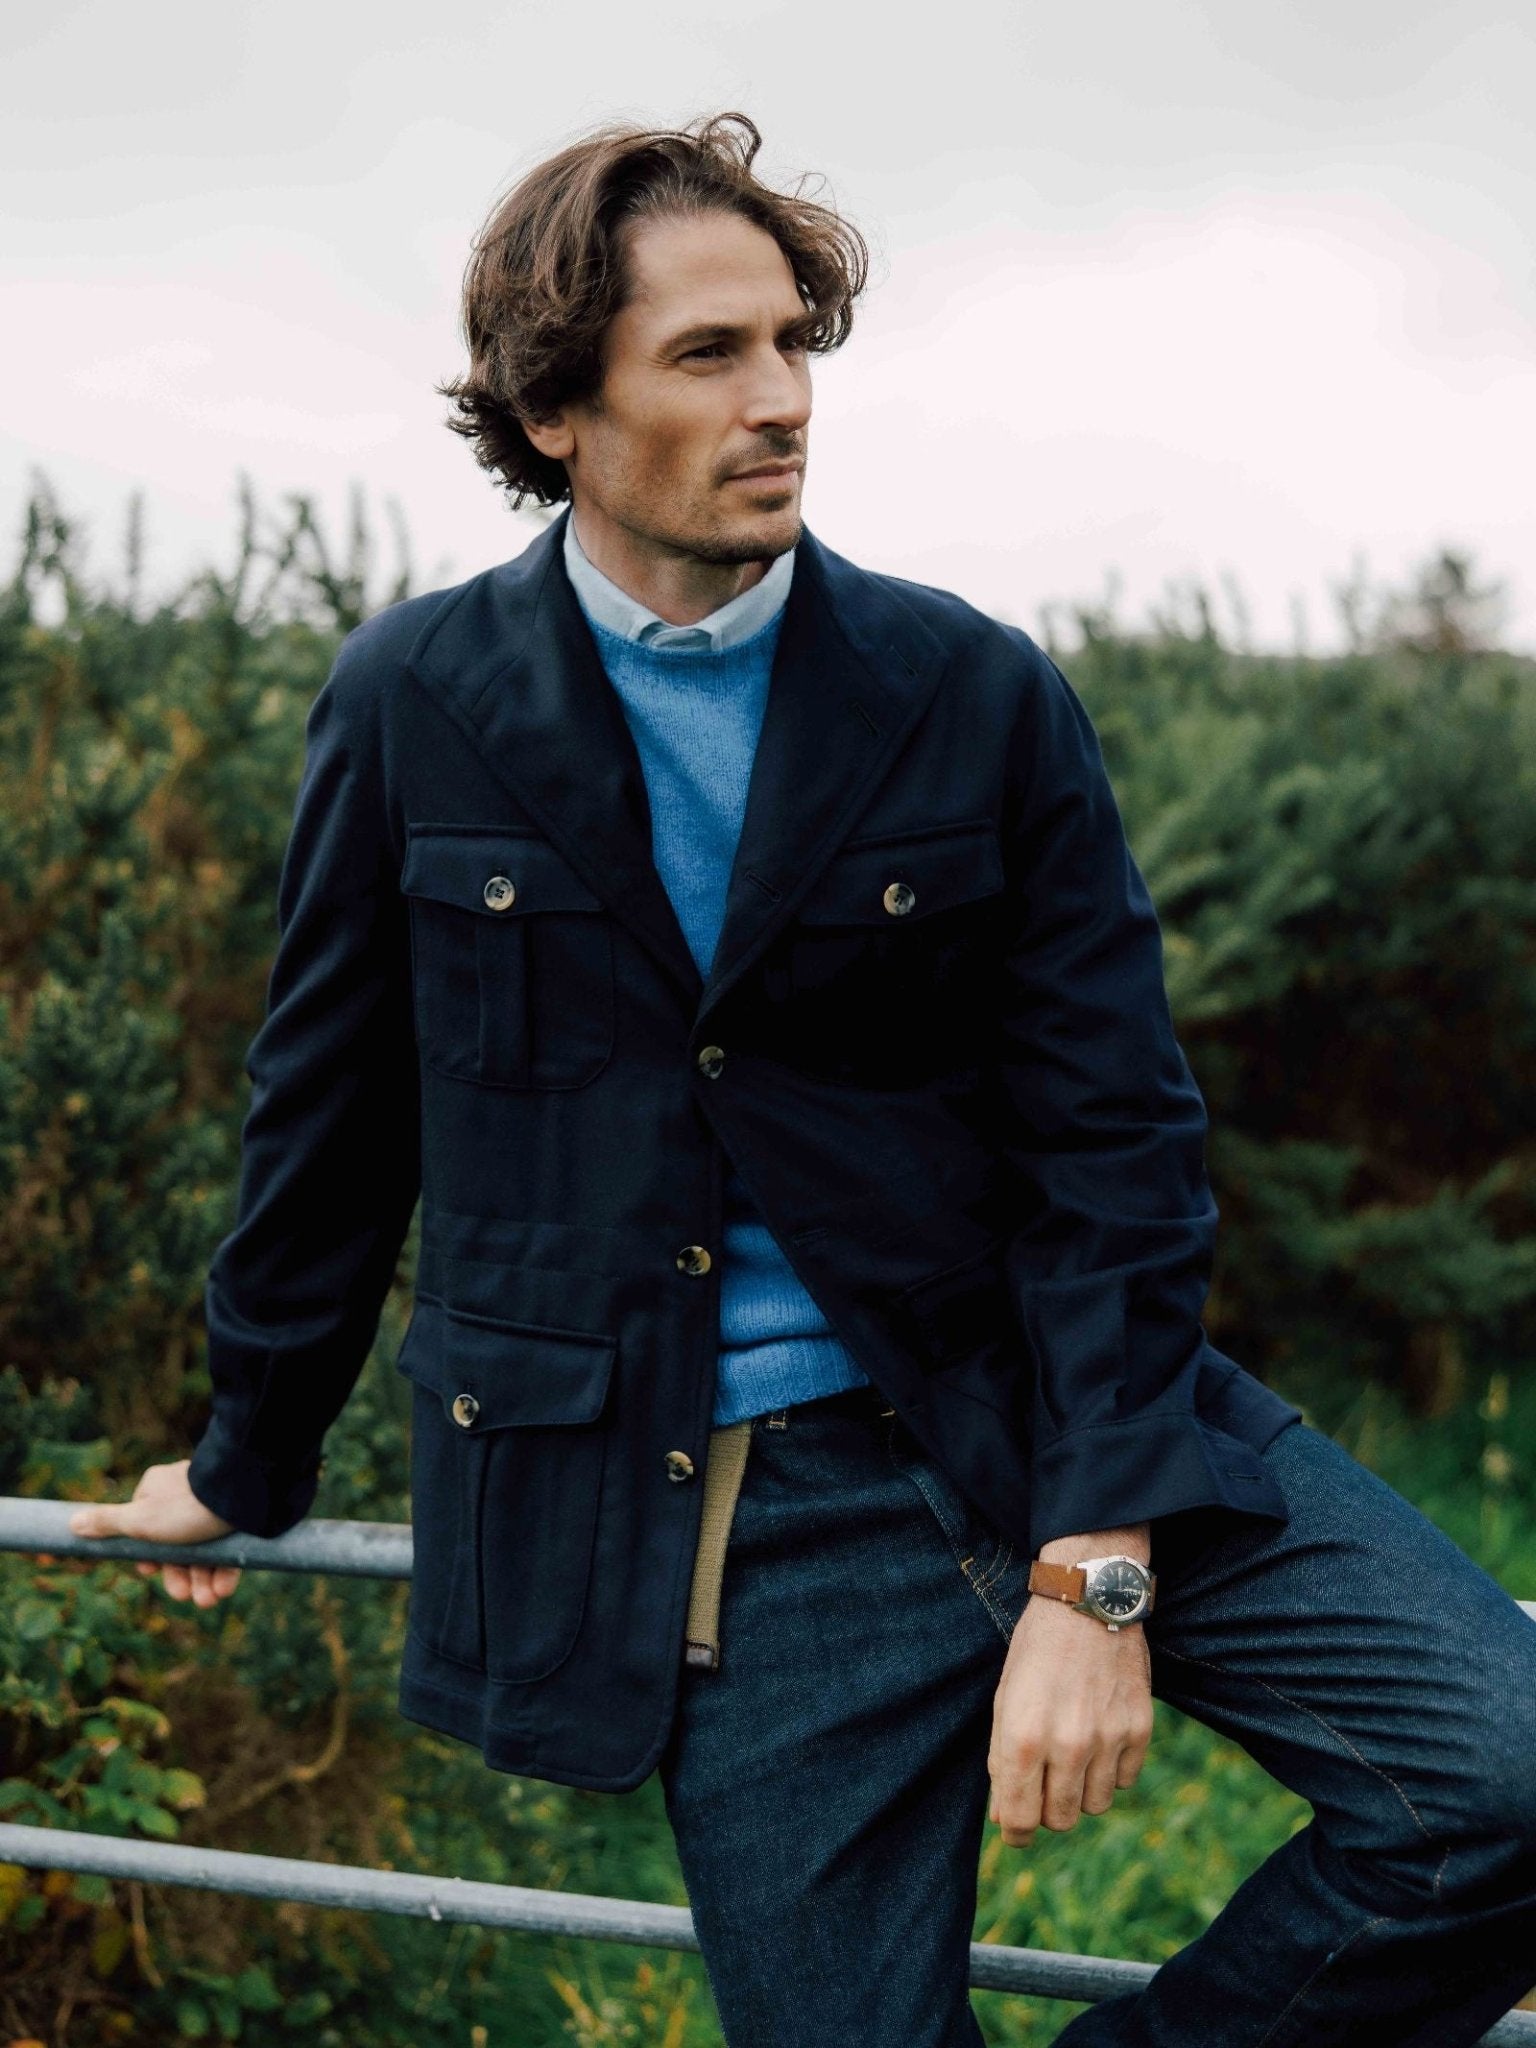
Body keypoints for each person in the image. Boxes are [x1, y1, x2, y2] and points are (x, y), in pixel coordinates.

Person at [69, 112, 1536, 2047]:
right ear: (555, 413)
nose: (783, 402)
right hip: (722, 1532)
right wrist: (242, 1463)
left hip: (1049, 1414)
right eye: (708, 355)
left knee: (1505, 1783)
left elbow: (1119, 1137)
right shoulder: (414, 705)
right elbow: (329, 1124)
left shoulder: (970, 689)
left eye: (792, 345)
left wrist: (1094, 1567)